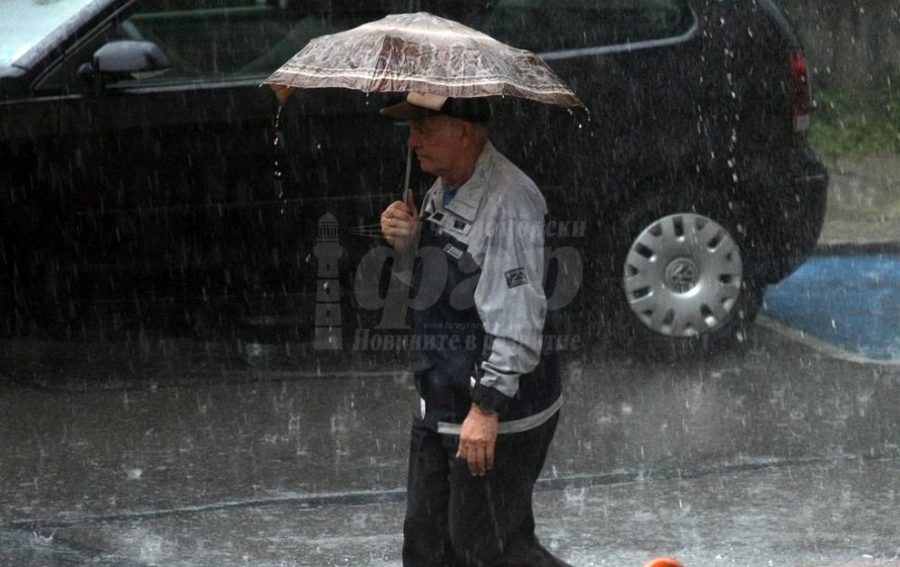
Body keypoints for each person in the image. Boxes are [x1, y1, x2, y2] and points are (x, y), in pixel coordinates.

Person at [379, 92, 572, 567]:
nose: (412, 142)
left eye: (423, 129)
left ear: (464, 132)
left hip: (496, 410)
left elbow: (518, 314)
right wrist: (407, 242)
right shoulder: (443, 186)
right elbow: (434, 288)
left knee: (489, 550)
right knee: (426, 547)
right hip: (441, 401)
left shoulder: (509, 200)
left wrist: (487, 408)